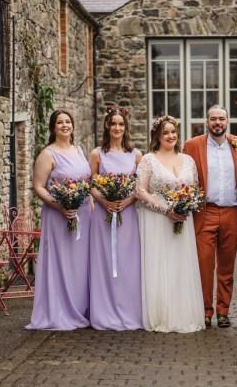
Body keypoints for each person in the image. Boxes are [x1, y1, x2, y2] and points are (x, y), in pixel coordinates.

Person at [135, 115, 205, 333]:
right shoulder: (148, 159)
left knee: (180, 267)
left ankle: (183, 314)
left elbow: (194, 189)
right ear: (157, 135)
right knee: (160, 266)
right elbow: (140, 191)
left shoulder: (188, 160)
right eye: (165, 132)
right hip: (157, 221)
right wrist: (165, 209)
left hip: (183, 219)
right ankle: (161, 315)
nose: (170, 136)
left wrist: (185, 206)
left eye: (173, 131)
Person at [182, 104, 237, 328]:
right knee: (203, 264)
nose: (217, 123)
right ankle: (205, 311)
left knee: (227, 266)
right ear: (207, 121)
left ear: (227, 121)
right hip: (205, 211)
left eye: (221, 118)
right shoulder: (192, 145)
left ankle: (223, 310)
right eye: (213, 119)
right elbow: (181, 175)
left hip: (232, 211)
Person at [26, 109, 92, 331]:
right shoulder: (48, 154)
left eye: (68, 122)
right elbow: (38, 187)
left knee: (80, 264)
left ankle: (81, 309)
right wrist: (61, 205)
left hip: (83, 215)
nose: (65, 125)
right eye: (60, 122)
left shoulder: (79, 150)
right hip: (58, 215)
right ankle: (59, 311)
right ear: (53, 127)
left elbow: (88, 184)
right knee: (62, 262)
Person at [88, 107, 143, 330]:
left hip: (128, 215)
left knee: (128, 263)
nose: (117, 128)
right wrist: (104, 202)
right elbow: (90, 184)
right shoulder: (97, 154)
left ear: (125, 127)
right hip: (103, 216)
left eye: (121, 124)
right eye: (113, 124)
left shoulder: (136, 155)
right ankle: (104, 311)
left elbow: (141, 186)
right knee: (105, 261)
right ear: (107, 126)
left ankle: (130, 310)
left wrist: (127, 201)